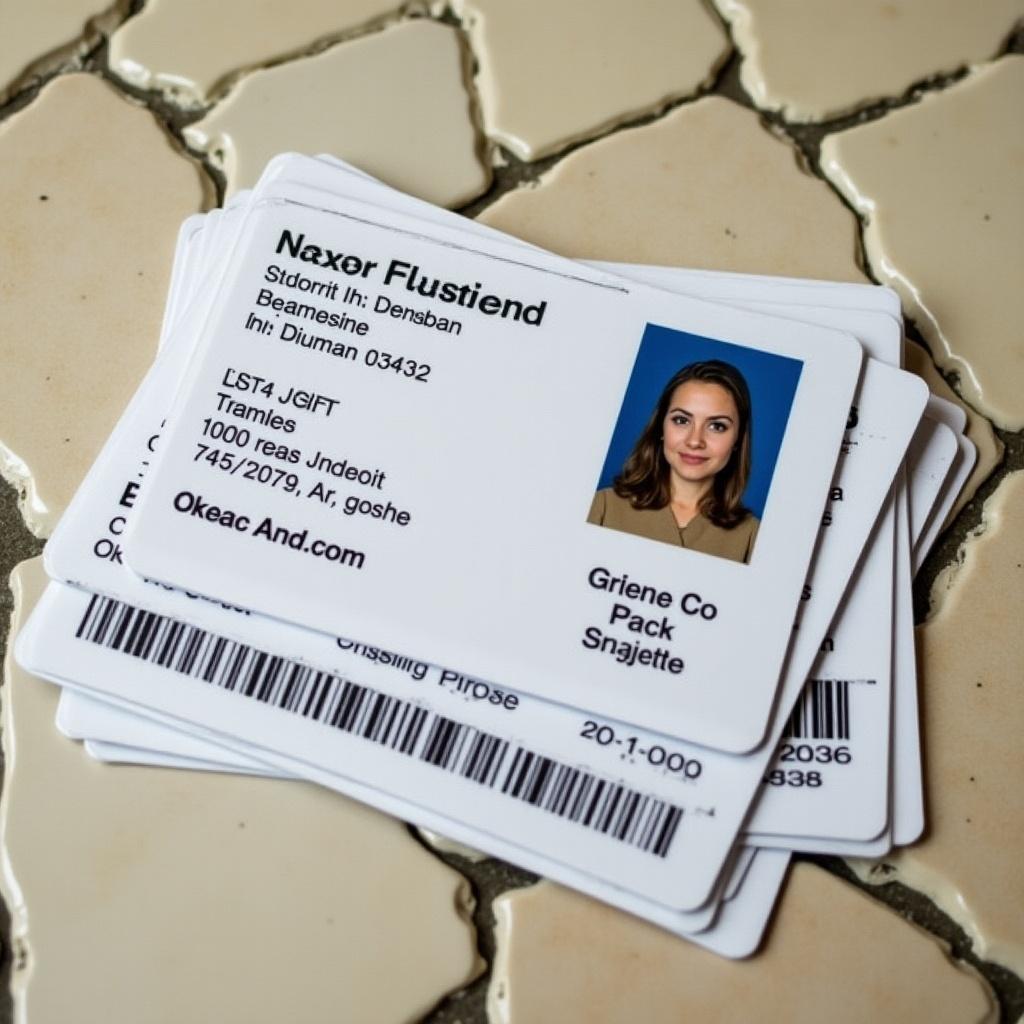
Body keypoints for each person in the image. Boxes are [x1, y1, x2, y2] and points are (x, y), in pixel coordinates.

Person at [588, 359, 759, 564]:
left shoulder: (753, 538)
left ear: (738, 440)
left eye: (717, 426)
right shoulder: (602, 507)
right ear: (661, 427)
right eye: (681, 420)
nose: (695, 441)